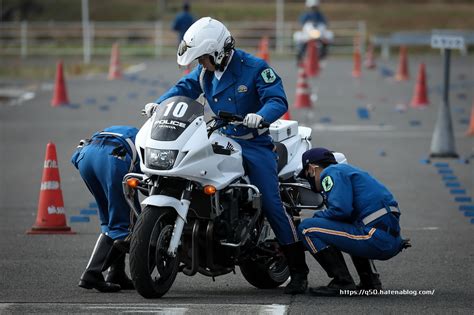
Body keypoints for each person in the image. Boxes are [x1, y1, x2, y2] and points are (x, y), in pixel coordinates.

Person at [143, 17, 309, 294]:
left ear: (218, 52)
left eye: (204, 59)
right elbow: (183, 89)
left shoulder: (255, 68)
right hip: (220, 137)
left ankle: (299, 271)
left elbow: (277, 100)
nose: (201, 64)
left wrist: (261, 116)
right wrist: (159, 105)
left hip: (254, 143)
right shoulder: (203, 72)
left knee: (270, 202)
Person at [297, 148, 406, 297]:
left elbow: (340, 210)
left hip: (375, 237)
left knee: (307, 228)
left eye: (306, 174)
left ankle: (342, 282)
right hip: (388, 238)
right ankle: (370, 281)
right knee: (348, 227)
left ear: (311, 168)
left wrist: (317, 218)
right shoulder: (346, 171)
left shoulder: (329, 173)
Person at [71, 125, 140, 292]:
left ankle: (116, 273)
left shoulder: (131, 130)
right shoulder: (155, 141)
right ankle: (91, 274)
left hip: (85, 156)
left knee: (111, 222)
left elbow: (75, 158)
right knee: (126, 224)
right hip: (113, 159)